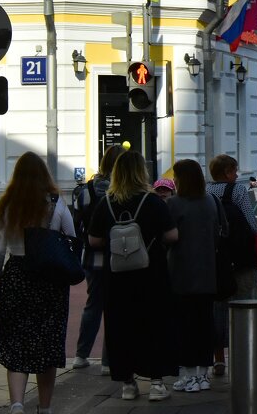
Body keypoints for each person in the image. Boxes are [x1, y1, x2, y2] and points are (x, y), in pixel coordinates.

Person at [88, 150, 178, 402]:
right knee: (154, 325)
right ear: (142, 172)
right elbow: (172, 235)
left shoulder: (106, 203)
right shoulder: (153, 202)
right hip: (151, 275)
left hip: (116, 277)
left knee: (121, 327)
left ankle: (128, 383)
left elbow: (94, 239)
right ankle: (157, 383)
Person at [0, 152, 75, 414]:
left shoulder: (6, 205)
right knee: (47, 344)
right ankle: (45, 407)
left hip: (17, 276)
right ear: (43, 175)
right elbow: (71, 236)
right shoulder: (55, 202)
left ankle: (16, 404)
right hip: (49, 279)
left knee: (17, 342)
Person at [165, 159, 220, 394]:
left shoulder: (174, 204)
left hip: (182, 273)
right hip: (208, 272)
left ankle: (188, 375)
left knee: (184, 326)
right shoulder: (210, 201)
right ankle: (202, 374)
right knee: (204, 325)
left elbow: (168, 237)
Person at [206, 154, 257, 377]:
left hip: (216, 260)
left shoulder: (206, 192)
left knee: (217, 307)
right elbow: (250, 222)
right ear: (227, 172)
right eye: (235, 171)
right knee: (242, 306)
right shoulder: (237, 191)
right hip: (240, 259)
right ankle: (241, 356)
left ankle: (218, 359)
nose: (237, 175)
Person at [71, 147, 118, 373]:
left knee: (93, 304)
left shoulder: (86, 190)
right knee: (114, 307)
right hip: (119, 255)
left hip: (91, 255)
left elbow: (76, 221)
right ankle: (108, 361)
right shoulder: (121, 191)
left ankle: (81, 355)